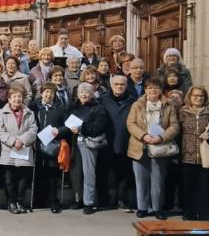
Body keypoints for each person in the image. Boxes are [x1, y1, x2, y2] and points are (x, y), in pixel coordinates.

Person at [126, 78, 179, 219]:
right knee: (141, 179)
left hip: (159, 146)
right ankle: (142, 207)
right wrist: (143, 136)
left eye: (156, 87)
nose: (153, 90)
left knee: (158, 180)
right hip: (140, 146)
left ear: (161, 90)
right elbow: (130, 123)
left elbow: (174, 126)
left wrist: (161, 137)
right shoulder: (137, 105)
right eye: (150, 88)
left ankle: (157, 208)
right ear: (145, 90)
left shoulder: (168, 106)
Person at [177, 86, 209, 221]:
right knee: (187, 187)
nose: (198, 98)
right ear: (189, 97)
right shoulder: (182, 112)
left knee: (205, 187)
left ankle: (205, 215)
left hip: (205, 155)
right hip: (186, 155)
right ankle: (188, 214)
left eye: (201, 96)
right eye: (195, 95)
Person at [67, 83, 109, 213]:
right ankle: (78, 199)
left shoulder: (98, 108)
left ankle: (88, 203)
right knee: (76, 173)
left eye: (87, 92)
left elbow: (98, 127)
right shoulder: (73, 107)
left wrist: (81, 129)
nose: (84, 95)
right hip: (74, 143)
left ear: (91, 94)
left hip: (88, 143)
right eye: (81, 92)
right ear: (77, 94)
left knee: (89, 173)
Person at [0, 88, 38, 214]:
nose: (17, 99)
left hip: (24, 149)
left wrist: (22, 140)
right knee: (9, 180)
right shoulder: (1, 112)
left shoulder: (29, 112)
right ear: (9, 99)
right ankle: (11, 202)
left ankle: (19, 201)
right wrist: (14, 141)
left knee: (23, 180)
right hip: (9, 149)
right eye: (14, 96)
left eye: (19, 96)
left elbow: (33, 129)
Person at [100, 75, 137, 211]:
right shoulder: (102, 99)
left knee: (124, 173)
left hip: (125, 141)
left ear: (126, 86)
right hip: (106, 142)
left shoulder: (133, 101)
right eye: (116, 84)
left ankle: (122, 199)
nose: (119, 86)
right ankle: (107, 200)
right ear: (111, 85)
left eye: (122, 84)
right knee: (106, 173)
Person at [32, 84, 67, 213]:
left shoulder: (61, 108)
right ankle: (38, 200)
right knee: (38, 173)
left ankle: (54, 201)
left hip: (53, 145)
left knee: (52, 173)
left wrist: (59, 130)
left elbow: (67, 126)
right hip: (37, 144)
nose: (49, 95)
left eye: (51, 92)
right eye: (46, 92)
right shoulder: (34, 107)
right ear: (41, 93)